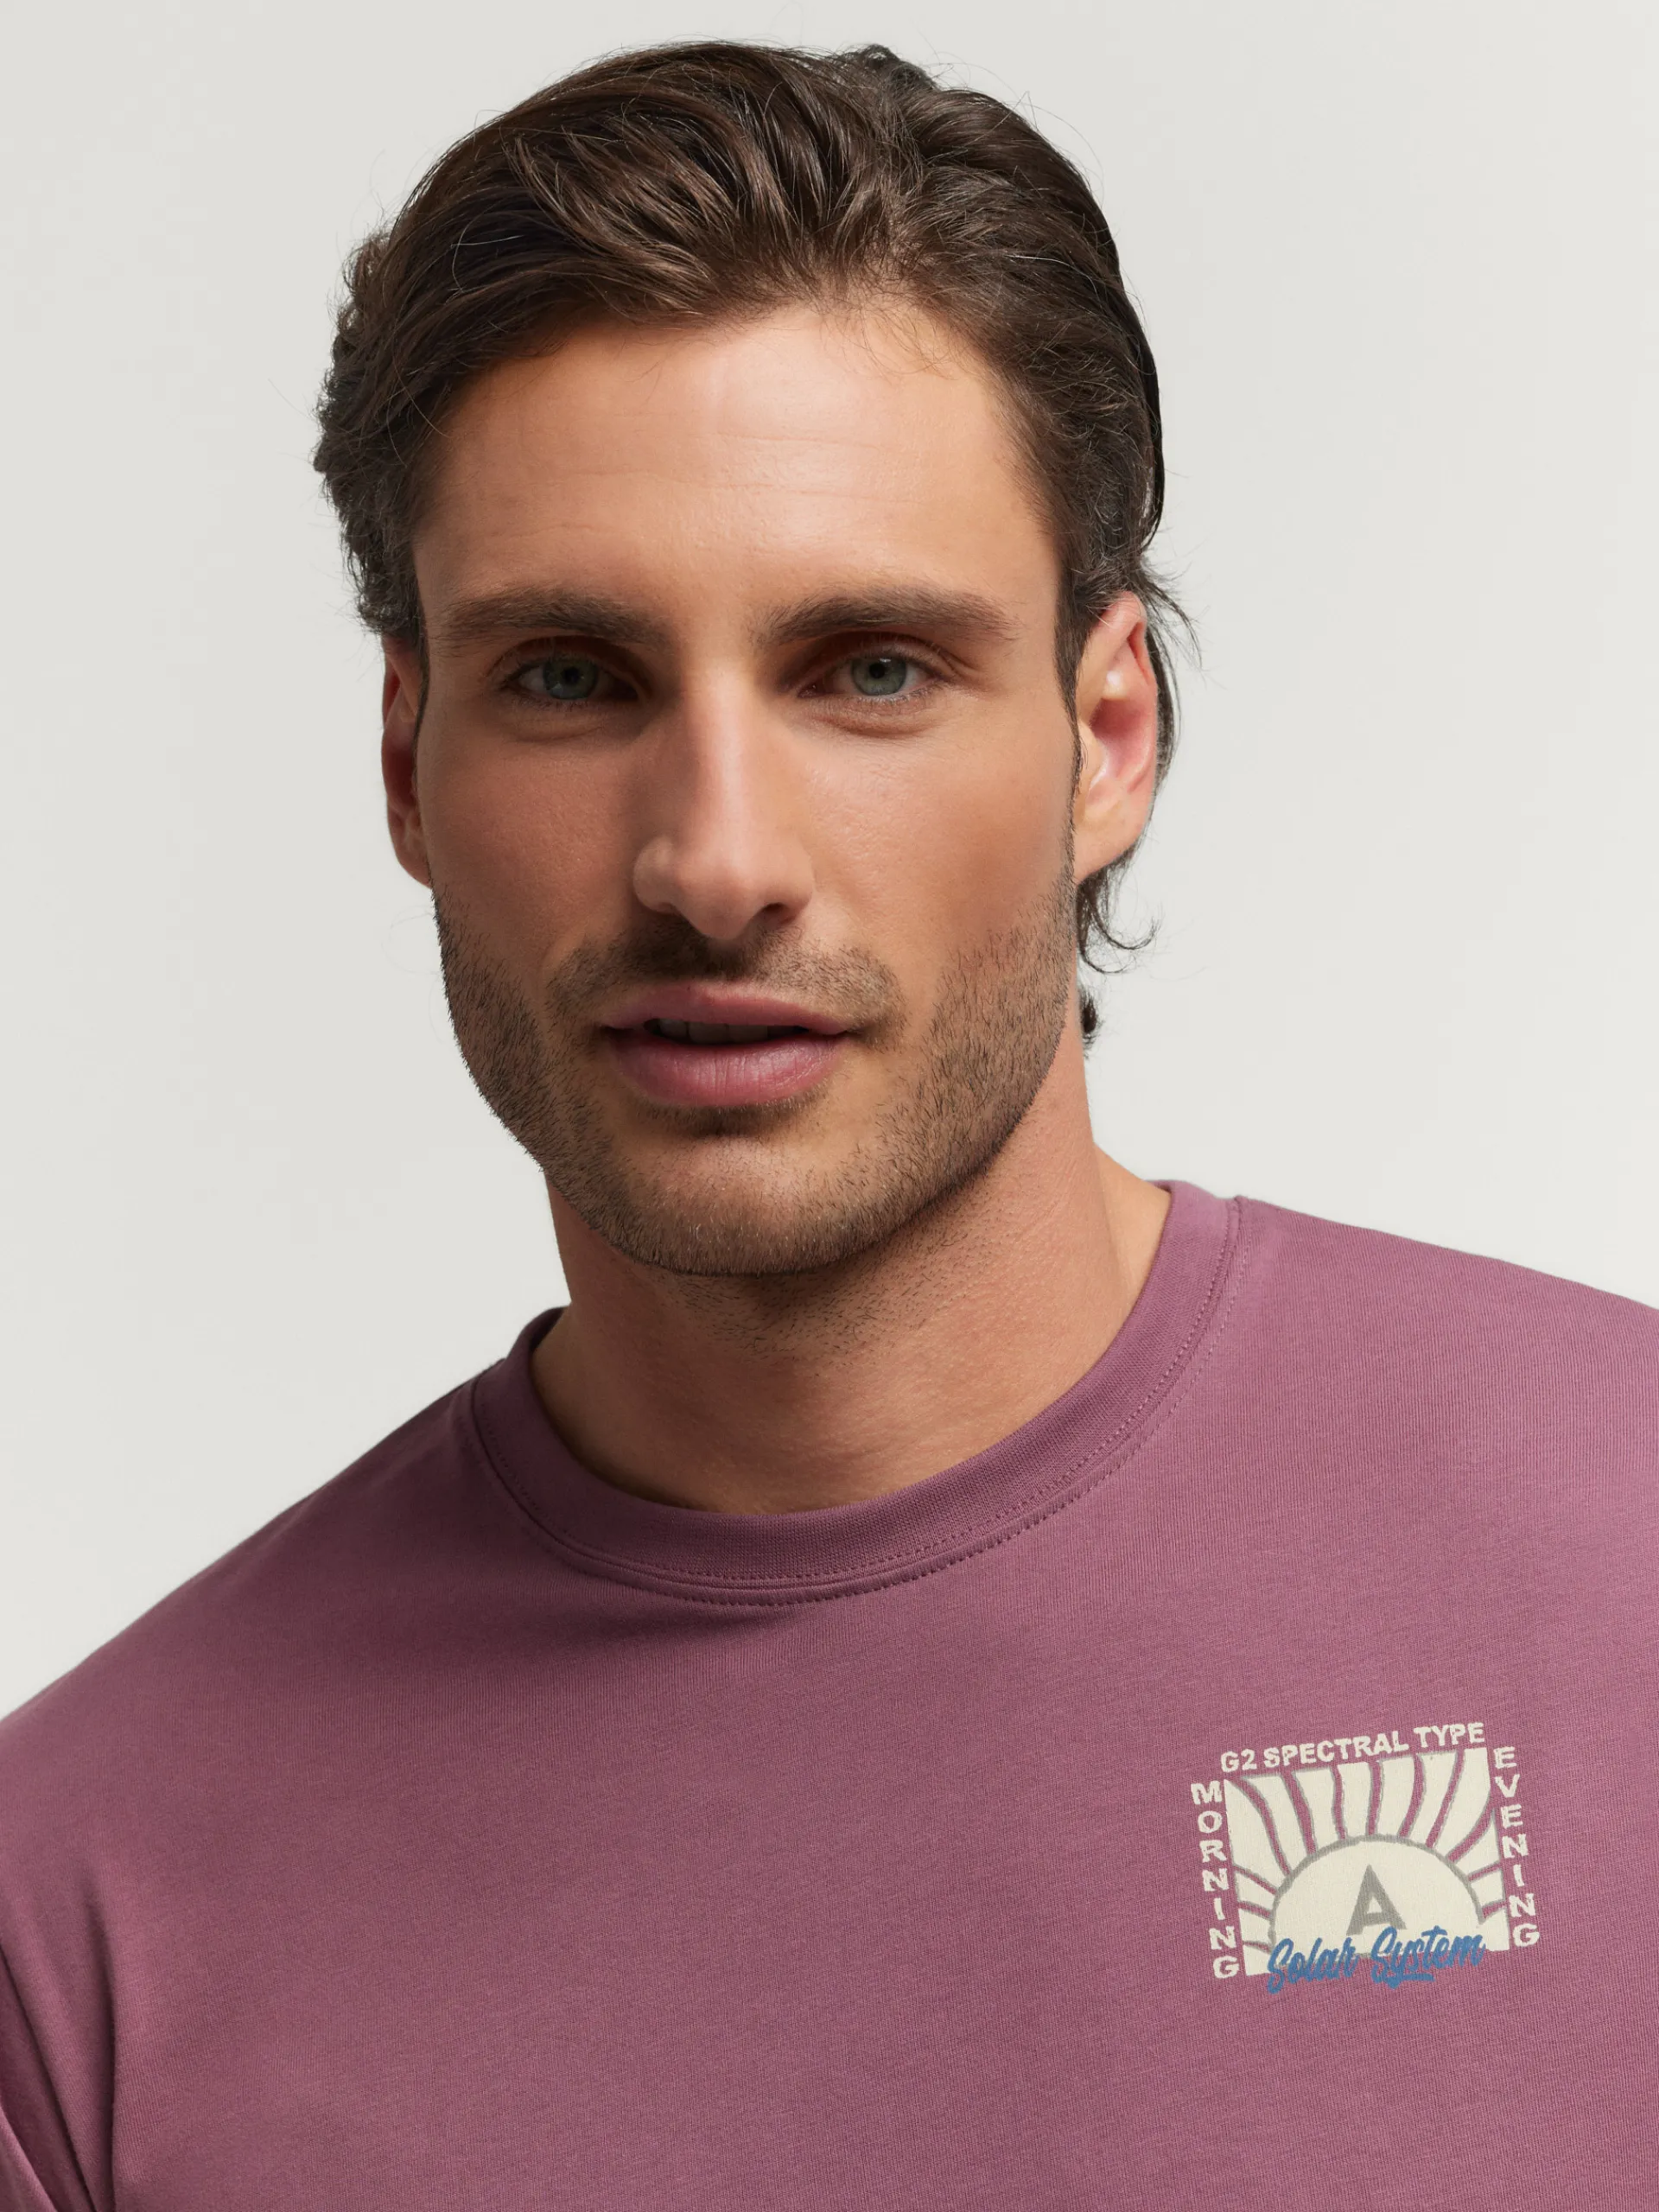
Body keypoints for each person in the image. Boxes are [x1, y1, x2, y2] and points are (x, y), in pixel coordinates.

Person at [1, 37, 1653, 2211]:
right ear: (406, 765)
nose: (717, 860)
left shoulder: (1623, 1544)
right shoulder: (78, 1919)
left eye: (869, 668)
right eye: (572, 675)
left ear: (1108, 737)